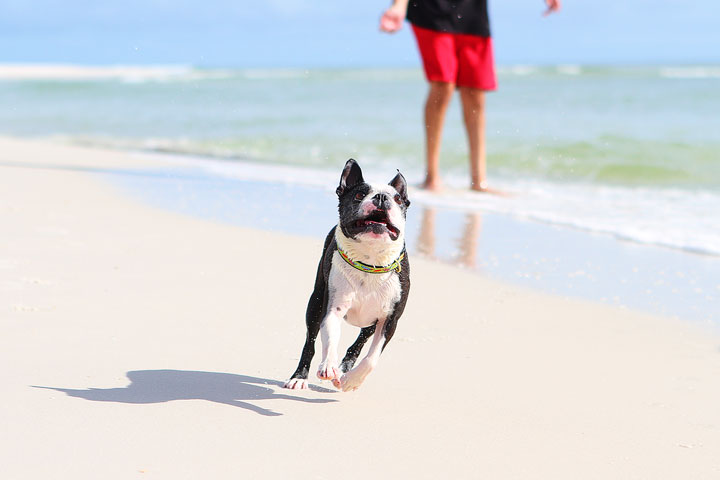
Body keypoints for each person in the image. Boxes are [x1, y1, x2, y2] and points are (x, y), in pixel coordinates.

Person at [380, 0, 561, 192]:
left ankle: (478, 180)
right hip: (431, 9)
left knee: (474, 90)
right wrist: (399, 5)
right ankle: (432, 176)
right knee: (443, 84)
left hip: (472, 10)